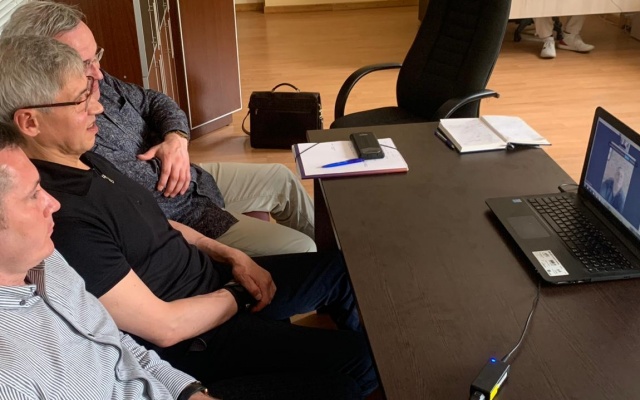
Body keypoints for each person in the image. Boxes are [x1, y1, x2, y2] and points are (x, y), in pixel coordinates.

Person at [0, 34, 378, 397]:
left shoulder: (82, 156)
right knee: (360, 363)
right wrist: (237, 294)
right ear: (30, 122)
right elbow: (164, 328)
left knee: (344, 271)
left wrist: (231, 255)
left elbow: (157, 222)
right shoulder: (61, 217)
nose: (96, 107)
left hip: (217, 281)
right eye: (80, 101)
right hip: (202, 335)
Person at [2, 1, 315, 256]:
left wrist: (175, 139)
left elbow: (155, 101)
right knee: (300, 248)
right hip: (188, 215)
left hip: (195, 180)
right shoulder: (62, 133)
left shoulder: (97, 80)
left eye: (96, 56)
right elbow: (146, 206)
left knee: (281, 177)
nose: (98, 72)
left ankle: (337, 259)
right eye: (84, 64)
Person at [0, 122, 212, 399]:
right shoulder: (10, 379)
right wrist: (236, 293)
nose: (54, 204)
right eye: (33, 195)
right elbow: (163, 328)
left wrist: (189, 392)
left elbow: (116, 343)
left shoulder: (46, 259)